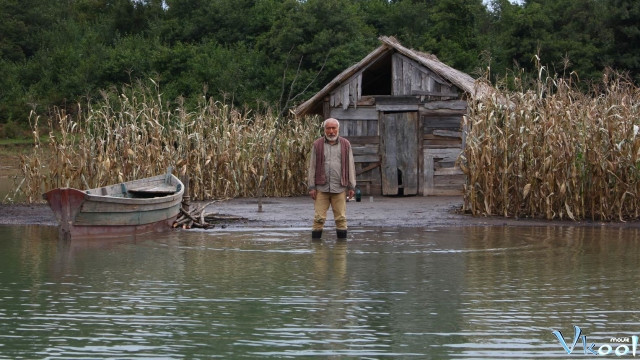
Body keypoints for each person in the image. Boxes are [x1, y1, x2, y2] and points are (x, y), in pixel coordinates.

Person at [307, 118, 356, 240]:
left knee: (341, 219)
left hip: (340, 187)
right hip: (321, 188)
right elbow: (312, 166)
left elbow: (350, 165)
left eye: (334, 128)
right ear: (324, 130)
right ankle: (318, 255)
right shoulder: (317, 144)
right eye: (328, 128)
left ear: (338, 129)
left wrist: (351, 186)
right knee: (318, 219)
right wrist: (311, 187)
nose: (331, 131)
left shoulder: (345, 144)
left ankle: (341, 254)